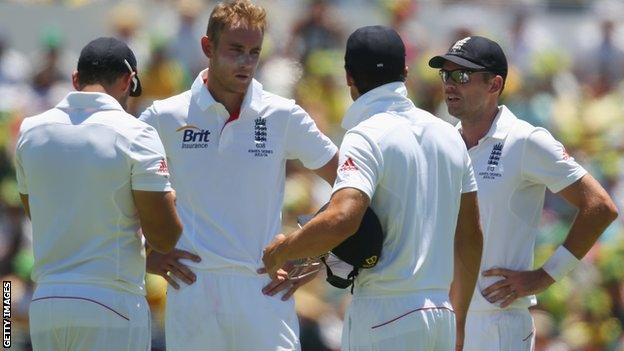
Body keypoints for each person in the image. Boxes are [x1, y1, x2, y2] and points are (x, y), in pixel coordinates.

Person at [263, 25, 483, 351]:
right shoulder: (450, 135)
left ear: (349, 77)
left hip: (384, 313)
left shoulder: (365, 134)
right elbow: (470, 235)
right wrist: (459, 315)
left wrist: (283, 251)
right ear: (405, 72)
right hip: (441, 315)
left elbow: (344, 218)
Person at [138, 1, 338, 350]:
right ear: (207, 47)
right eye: (235, 50)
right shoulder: (163, 116)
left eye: (254, 52)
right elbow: (118, 187)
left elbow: (351, 185)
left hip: (263, 289)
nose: (246, 62)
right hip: (193, 290)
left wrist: (314, 251)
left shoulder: (283, 115)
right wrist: (143, 253)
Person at [428, 35, 619, 351]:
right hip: (441, 319)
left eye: (462, 75)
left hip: (497, 323)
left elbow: (599, 206)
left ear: (494, 84)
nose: (450, 84)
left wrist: (544, 276)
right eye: (446, 74)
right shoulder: (442, 141)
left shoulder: (526, 141)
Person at [15, 37, 183, 351]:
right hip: (112, 305)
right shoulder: (138, 133)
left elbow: (39, 214)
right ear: (128, 80)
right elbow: (165, 238)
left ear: (76, 80)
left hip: (47, 305)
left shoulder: (30, 130)